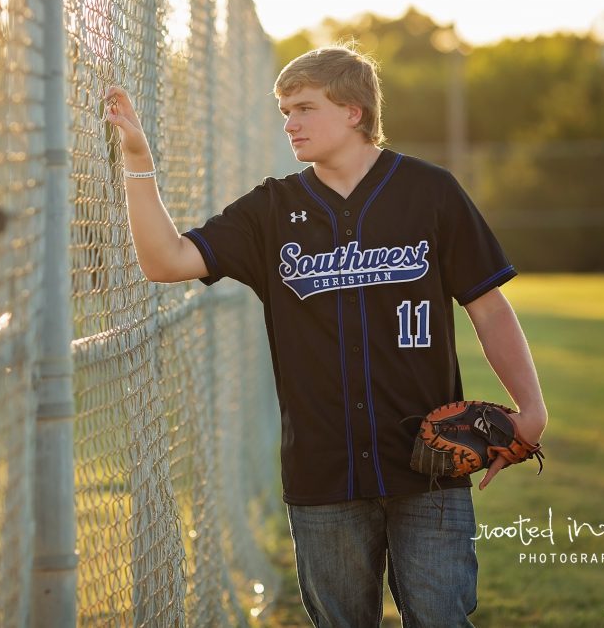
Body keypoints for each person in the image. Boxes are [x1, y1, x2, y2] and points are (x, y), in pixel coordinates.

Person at [104, 43, 547, 628]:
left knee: (442, 618)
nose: (289, 123)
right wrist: (139, 162)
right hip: (323, 472)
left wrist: (531, 409)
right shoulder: (271, 208)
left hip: (429, 466)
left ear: (354, 112)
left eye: (305, 108)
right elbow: (166, 261)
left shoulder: (430, 192)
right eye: (285, 109)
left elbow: (488, 308)